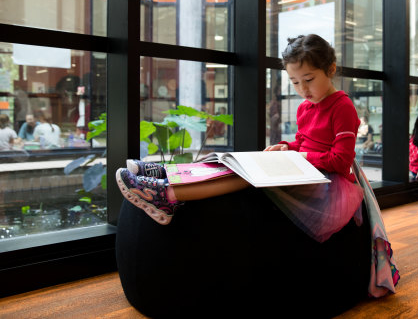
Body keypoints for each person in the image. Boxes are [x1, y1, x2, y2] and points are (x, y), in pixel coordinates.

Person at [116, 33, 399, 296]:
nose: (303, 89)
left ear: (331, 70)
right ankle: (169, 175)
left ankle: (168, 196)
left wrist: (300, 157)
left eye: (309, 79)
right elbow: (303, 140)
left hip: (328, 183)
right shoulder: (304, 108)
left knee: (246, 177)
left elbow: (341, 161)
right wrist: (287, 148)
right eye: (295, 82)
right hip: (304, 168)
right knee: (240, 163)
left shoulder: (342, 107)